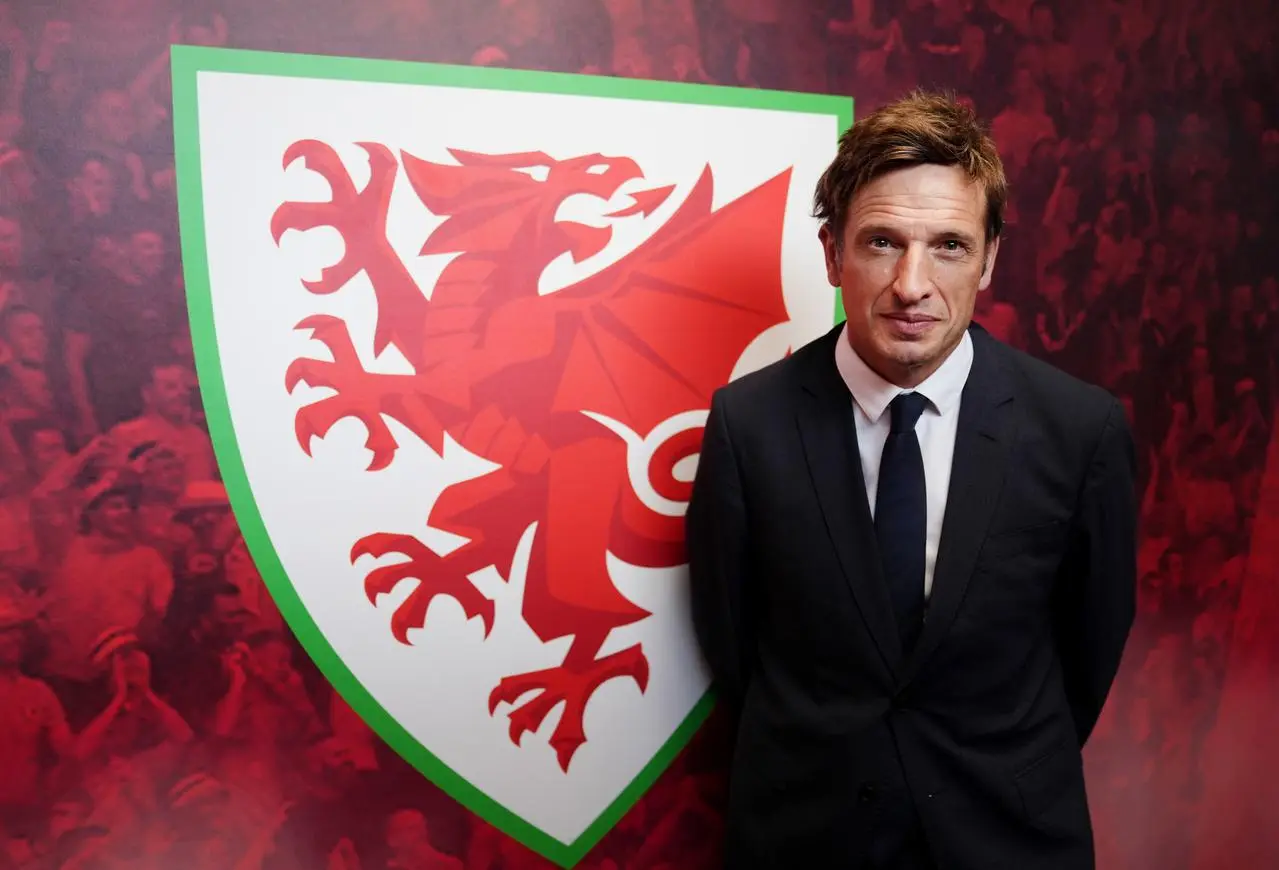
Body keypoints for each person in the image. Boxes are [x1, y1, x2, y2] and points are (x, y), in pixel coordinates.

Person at [686, 90, 1137, 869]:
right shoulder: (746, 425)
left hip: (1008, 836)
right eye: (882, 242)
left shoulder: (1078, 429)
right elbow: (733, 647)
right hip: (805, 838)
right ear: (832, 253)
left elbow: (1089, 648)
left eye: (949, 247)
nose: (910, 284)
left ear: (989, 258)